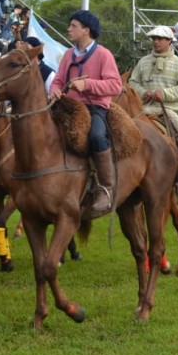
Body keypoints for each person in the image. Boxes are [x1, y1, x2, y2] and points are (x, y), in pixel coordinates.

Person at [49, 11, 122, 216]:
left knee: (97, 136)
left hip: (94, 107)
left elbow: (115, 86)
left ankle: (105, 188)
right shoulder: (67, 55)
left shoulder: (104, 54)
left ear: (86, 30)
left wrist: (87, 84)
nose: (68, 29)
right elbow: (58, 80)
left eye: (73, 26)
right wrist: (55, 89)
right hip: (68, 106)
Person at [128, 25, 178, 193]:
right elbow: (132, 82)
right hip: (144, 109)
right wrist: (143, 92)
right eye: (154, 39)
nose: (156, 42)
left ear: (169, 41)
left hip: (172, 109)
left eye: (160, 39)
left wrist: (164, 94)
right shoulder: (143, 62)